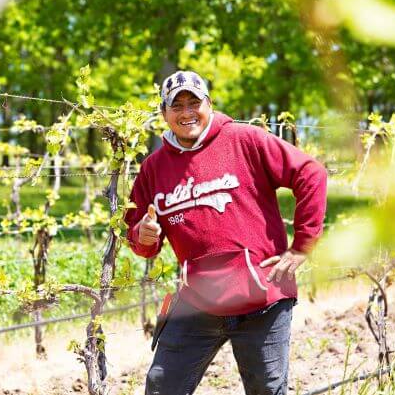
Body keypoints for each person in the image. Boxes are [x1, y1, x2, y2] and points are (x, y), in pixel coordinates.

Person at [124, 70, 327, 395]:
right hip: (198, 300)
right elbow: (140, 236)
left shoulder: (245, 139)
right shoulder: (153, 168)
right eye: (177, 106)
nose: (187, 112)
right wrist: (142, 235)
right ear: (164, 114)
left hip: (264, 295)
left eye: (194, 102)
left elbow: (310, 173)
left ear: (209, 103)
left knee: (267, 389)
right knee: (162, 385)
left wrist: (302, 244)